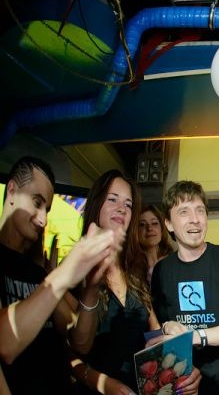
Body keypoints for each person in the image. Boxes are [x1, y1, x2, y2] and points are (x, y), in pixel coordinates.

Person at [69, 170, 200, 395]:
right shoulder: (72, 270)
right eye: (113, 200)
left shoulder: (134, 269)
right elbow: (72, 352)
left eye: (128, 205)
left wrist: (183, 369)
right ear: (96, 203)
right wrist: (103, 384)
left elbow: (154, 332)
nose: (122, 208)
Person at [0, 156, 123, 394]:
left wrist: (91, 286)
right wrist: (65, 272)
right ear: (12, 191)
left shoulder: (38, 272)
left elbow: (80, 341)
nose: (43, 219)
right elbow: (5, 343)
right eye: (37, 203)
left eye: (47, 209)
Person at [150, 180, 219, 395]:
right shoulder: (162, 271)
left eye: (200, 210)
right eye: (184, 212)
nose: (195, 219)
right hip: (188, 386)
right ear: (169, 224)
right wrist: (166, 327)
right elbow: (161, 328)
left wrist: (194, 336)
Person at [139, 204, 174, 284]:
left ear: (162, 229)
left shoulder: (174, 262)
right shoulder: (129, 268)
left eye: (154, 223)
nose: (149, 228)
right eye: (142, 224)